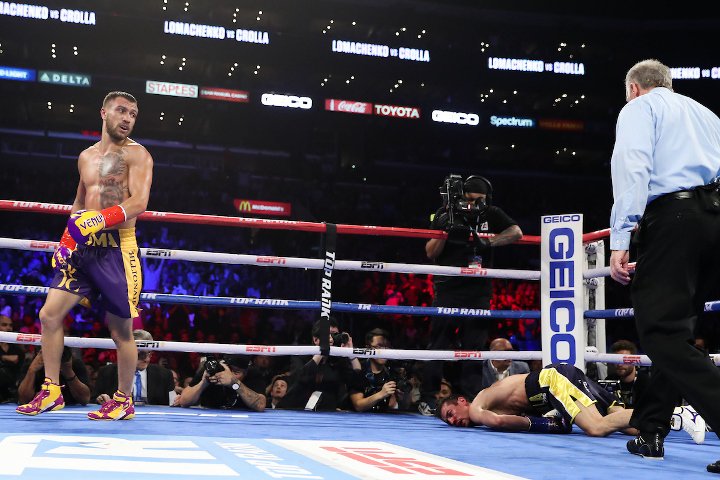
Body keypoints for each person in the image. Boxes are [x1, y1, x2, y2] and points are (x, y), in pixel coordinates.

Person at [608, 59, 720, 469]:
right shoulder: (706, 113)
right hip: (712, 220)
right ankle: (651, 430)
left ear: (634, 88)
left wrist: (621, 237)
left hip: (675, 220)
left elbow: (632, 167)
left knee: (661, 334)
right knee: (678, 334)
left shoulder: (640, 107)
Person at [16, 91, 154, 421]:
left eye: (133, 114)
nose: (127, 118)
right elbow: (80, 201)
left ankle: (123, 400)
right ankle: (51, 390)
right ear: (104, 113)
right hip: (83, 250)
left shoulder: (138, 155)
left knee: (121, 331)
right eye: (121, 111)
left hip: (117, 249)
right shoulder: (86, 156)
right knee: (49, 315)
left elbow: (139, 202)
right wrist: (66, 240)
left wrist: (99, 219)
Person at [420, 174, 523, 414]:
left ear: (487, 198)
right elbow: (430, 252)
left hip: (478, 291)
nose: (472, 204)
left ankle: (470, 400)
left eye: (478, 199)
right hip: (448, 289)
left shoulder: (491, 213)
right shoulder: (445, 212)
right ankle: (427, 398)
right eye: (469, 199)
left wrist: (490, 242)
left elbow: (516, 232)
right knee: (438, 346)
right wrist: (445, 231)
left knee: (474, 348)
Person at [438, 363, 706, 441]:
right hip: (558, 379)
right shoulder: (489, 399)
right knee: (634, 428)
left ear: (462, 401)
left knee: (596, 428)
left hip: (551, 381)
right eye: (448, 421)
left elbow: (498, 422)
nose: (453, 420)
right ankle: (681, 414)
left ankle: (678, 413)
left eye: (451, 413)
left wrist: (546, 425)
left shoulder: (478, 407)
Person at [277, 320, 360, 411]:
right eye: (328, 335)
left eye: (335, 334)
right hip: (294, 410)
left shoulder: (338, 360)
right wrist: (321, 351)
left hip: (326, 413)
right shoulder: (300, 356)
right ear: (316, 340)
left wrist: (351, 353)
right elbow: (299, 379)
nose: (332, 338)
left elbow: (357, 381)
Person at [93, 329, 174, 406]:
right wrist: (100, 399)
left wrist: (177, 400)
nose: (147, 359)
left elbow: (172, 404)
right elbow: (93, 400)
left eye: (150, 354)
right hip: (118, 414)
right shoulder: (107, 372)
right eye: (141, 354)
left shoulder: (164, 375)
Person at [348, 328, 410, 413]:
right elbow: (358, 406)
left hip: (383, 419)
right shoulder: (359, 369)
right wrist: (381, 394)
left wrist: (403, 398)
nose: (383, 351)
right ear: (368, 348)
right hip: (357, 419)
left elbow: (404, 406)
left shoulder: (393, 372)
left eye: (386, 347)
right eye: (379, 346)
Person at [175, 354, 266, 411]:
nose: (228, 374)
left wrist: (234, 383)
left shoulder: (253, 374)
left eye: (236, 372)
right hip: (209, 421)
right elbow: (184, 401)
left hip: (242, 422)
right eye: (228, 369)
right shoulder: (213, 370)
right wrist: (203, 383)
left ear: (245, 372)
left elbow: (260, 404)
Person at [17, 347, 91, 407]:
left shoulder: (74, 365)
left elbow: (85, 399)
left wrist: (68, 371)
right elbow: (23, 400)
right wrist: (32, 370)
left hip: (69, 409)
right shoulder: (32, 365)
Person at [0, 315, 23, 402]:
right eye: (4, 325)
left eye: (10, 325)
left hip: (11, 391)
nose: (8, 328)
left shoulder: (17, 350)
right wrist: (3, 358)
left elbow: (21, 372)